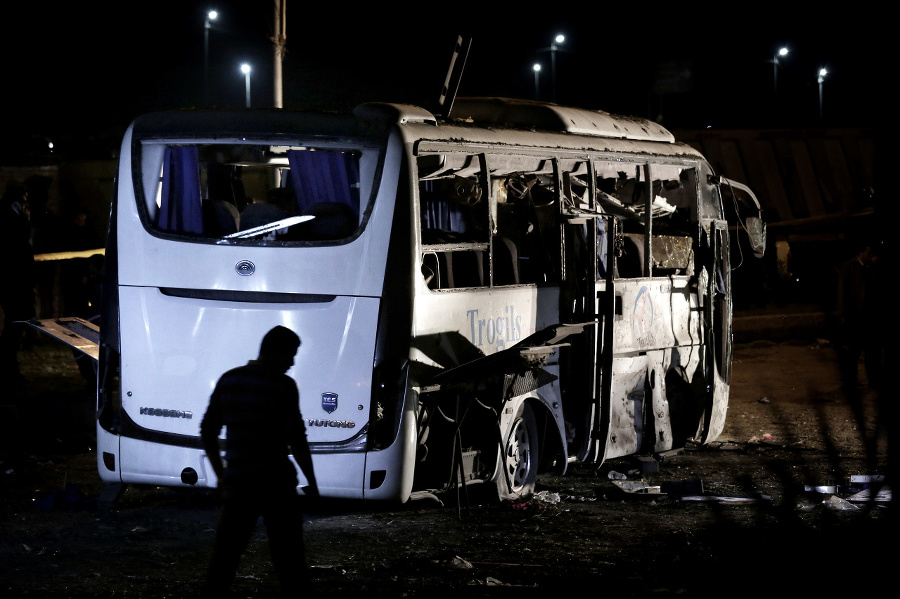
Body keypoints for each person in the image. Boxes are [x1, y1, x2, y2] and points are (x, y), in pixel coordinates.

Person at [200, 325, 319, 598]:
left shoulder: (229, 379)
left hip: (239, 484)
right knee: (289, 560)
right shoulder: (283, 386)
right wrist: (312, 482)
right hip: (277, 483)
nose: (292, 362)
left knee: (225, 558)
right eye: (290, 355)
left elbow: (208, 431)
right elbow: (297, 439)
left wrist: (222, 475)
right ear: (275, 352)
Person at [0, 180, 37, 384]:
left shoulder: (11, 213)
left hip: (15, 277)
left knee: (15, 321)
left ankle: (9, 367)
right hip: (14, 278)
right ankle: (8, 367)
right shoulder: (12, 215)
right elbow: (19, 247)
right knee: (15, 321)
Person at [837, 241, 881, 388]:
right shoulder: (849, 267)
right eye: (868, 252)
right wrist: (842, 313)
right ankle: (852, 380)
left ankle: (873, 379)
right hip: (854, 315)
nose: (870, 255)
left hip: (869, 315)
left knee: (871, 351)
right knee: (854, 350)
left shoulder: (870, 268)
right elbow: (842, 291)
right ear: (861, 253)